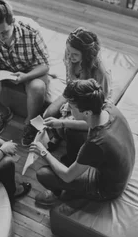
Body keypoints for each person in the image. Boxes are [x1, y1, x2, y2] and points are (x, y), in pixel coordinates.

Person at [29, 79, 135, 206]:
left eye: (71, 107)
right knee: (70, 130)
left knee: (43, 174)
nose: (67, 107)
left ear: (87, 112)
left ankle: (60, 194)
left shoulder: (96, 143)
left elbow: (68, 176)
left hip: (107, 188)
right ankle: (75, 167)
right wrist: (62, 123)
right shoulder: (108, 107)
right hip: (119, 170)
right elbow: (90, 124)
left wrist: (43, 152)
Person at [0, 0, 50, 146]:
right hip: (4, 68)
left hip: (30, 70)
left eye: (4, 32)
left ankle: (31, 124)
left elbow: (44, 65)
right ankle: (4, 113)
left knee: (37, 87)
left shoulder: (31, 33)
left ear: (13, 22)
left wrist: (26, 76)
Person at [42, 27, 112, 161]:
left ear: (86, 55)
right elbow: (70, 83)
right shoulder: (69, 57)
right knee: (48, 115)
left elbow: (100, 102)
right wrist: (68, 104)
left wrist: (73, 113)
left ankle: (71, 152)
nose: (69, 56)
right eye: (68, 52)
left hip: (89, 102)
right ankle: (57, 136)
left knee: (68, 128)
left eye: (74, 54)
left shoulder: (100, 72)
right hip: (73, 93)